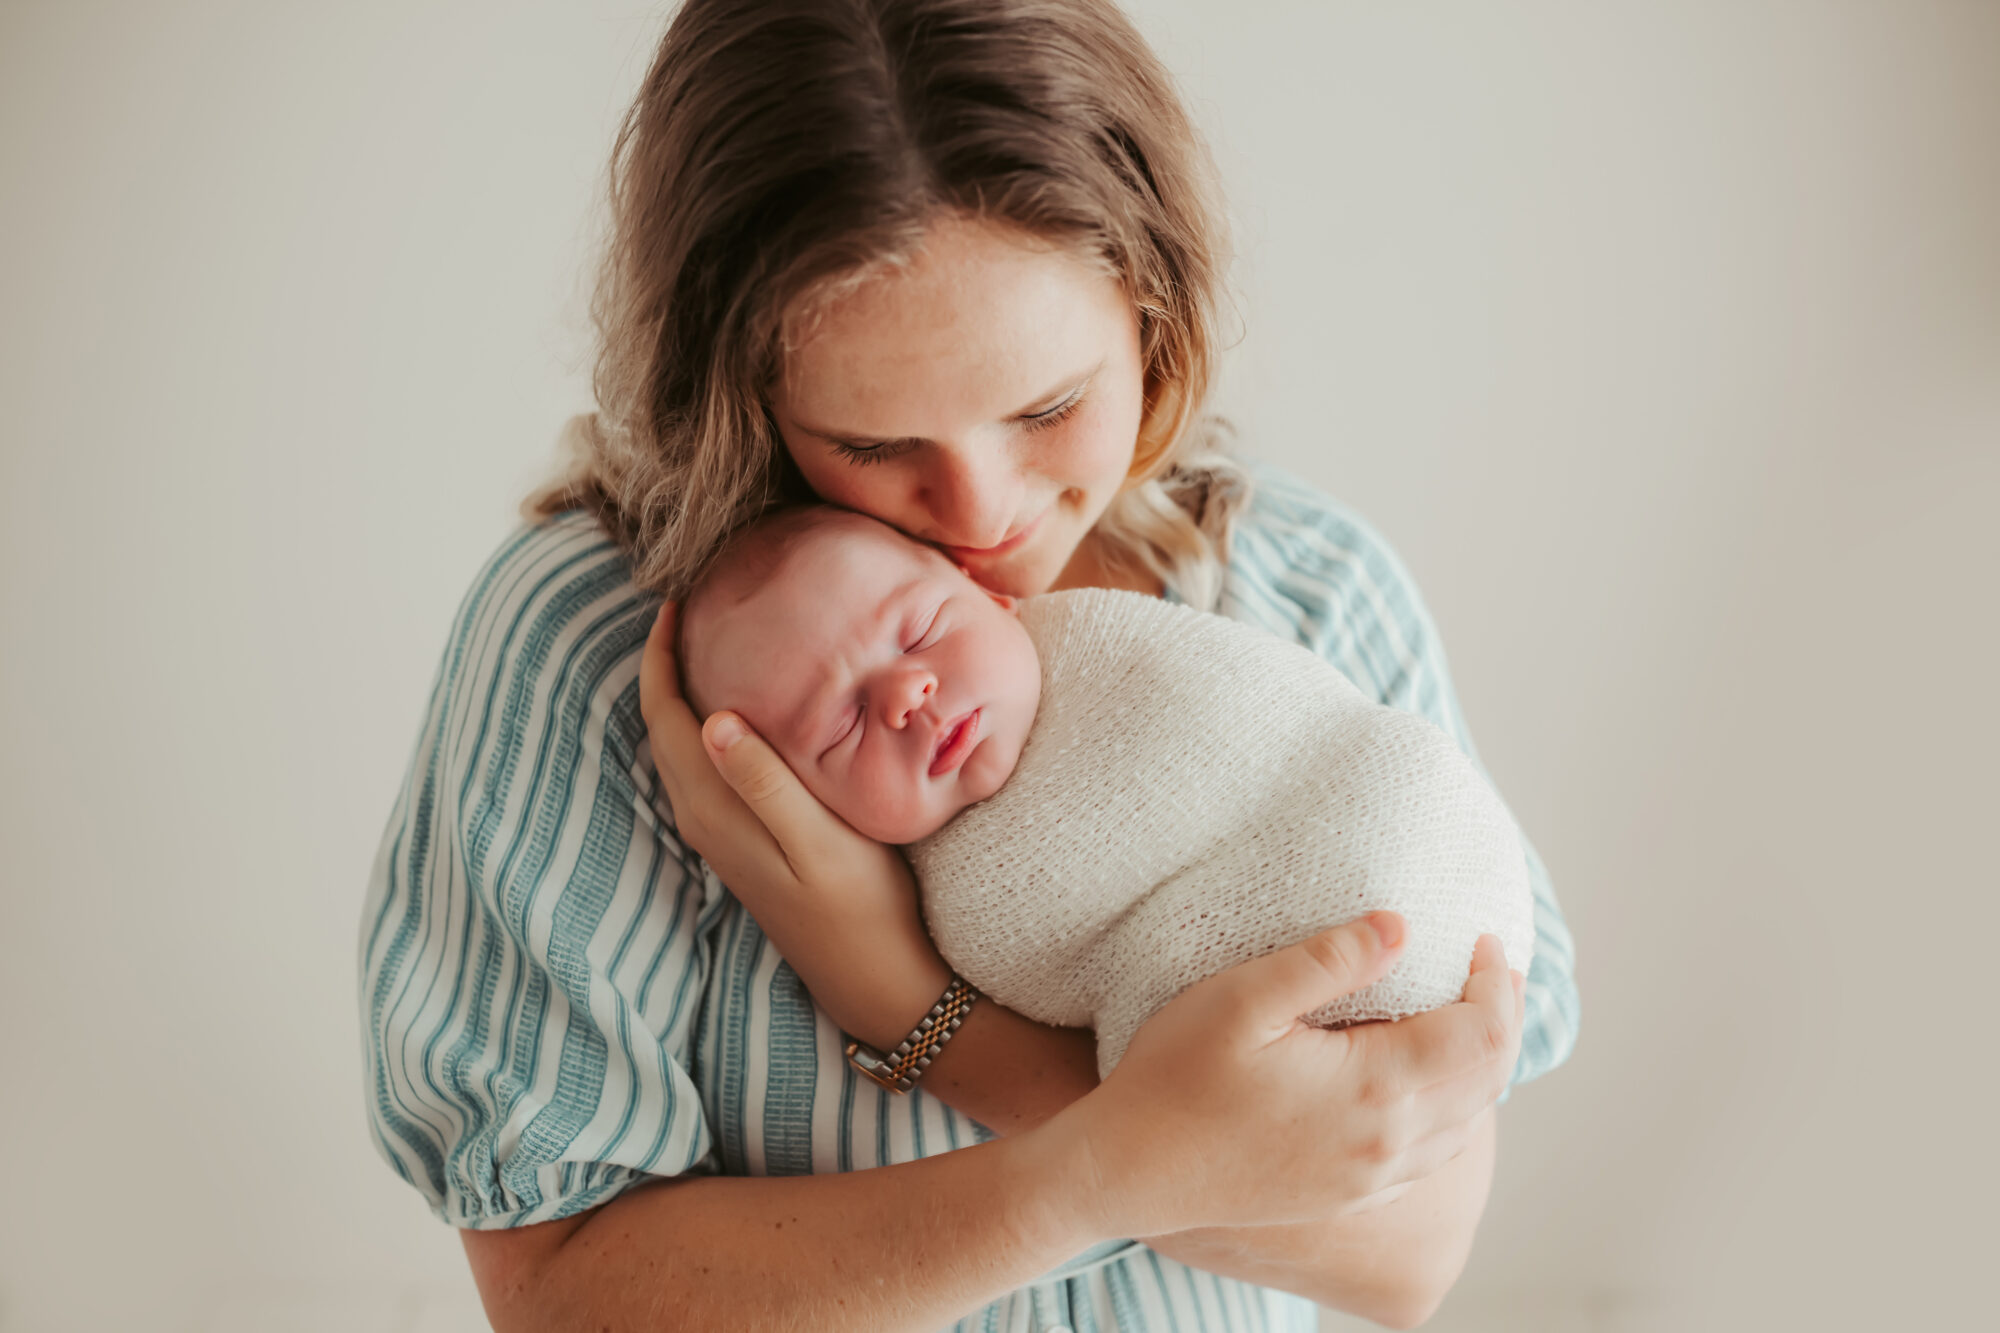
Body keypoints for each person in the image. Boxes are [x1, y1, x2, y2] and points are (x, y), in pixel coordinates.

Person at [356, 1, 1582, 1329]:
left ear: (1153, 309)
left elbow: (1410, 1254)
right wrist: (1088, 1177)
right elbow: (563, 1294)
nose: (985, 510)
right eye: (876, 445)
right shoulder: (606, 654)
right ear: (739, 392)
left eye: (1050, 408)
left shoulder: (1308, 592)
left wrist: (920, 1008)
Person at [675, 502, 1538, 1076]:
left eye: (922, 630)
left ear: (985, 590)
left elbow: (1268, 717)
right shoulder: (959, 901)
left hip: (1408, 829)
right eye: (843, 727)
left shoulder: (1110, 642)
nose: (907, 697)